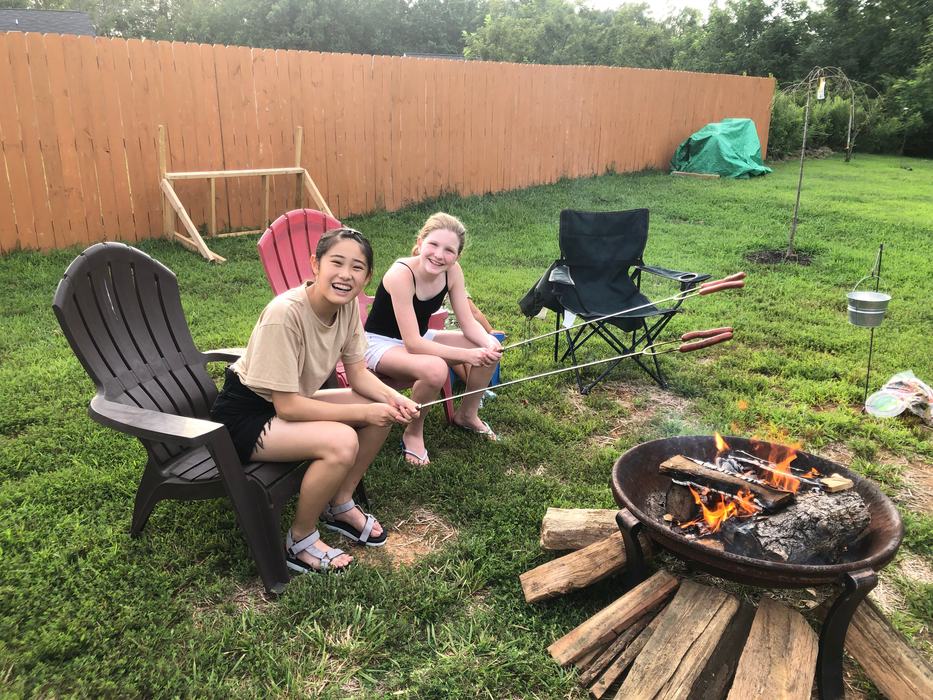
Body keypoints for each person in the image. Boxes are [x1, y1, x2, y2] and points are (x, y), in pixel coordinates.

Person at [211, 228, 419, 575]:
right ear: (315, 265)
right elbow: (288, 407)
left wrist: (395, 398)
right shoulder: (285, 314)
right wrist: (364, 410)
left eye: (357, 268)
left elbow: (358, 375)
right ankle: (300, 538)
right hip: (247, 416)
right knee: (341, 441)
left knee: (384, 412)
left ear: (367, 278)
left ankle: (340, 502)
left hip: (291, 401)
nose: (345, 274)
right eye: (336, 262)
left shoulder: (348, 307)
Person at [363, 212, 503, 466]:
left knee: (485, 348)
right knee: (436, 369)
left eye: (449, 250)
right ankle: (413, 431)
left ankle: (467, 415)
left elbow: (468, 322)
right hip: (380, 343)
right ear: (420, 242)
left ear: (457, 256)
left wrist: (488, 342)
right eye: (433, 245)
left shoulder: (452, 272)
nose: (439, 255)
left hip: (420, 336)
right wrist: (468, 356)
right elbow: (413, 344)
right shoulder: (401, 274)